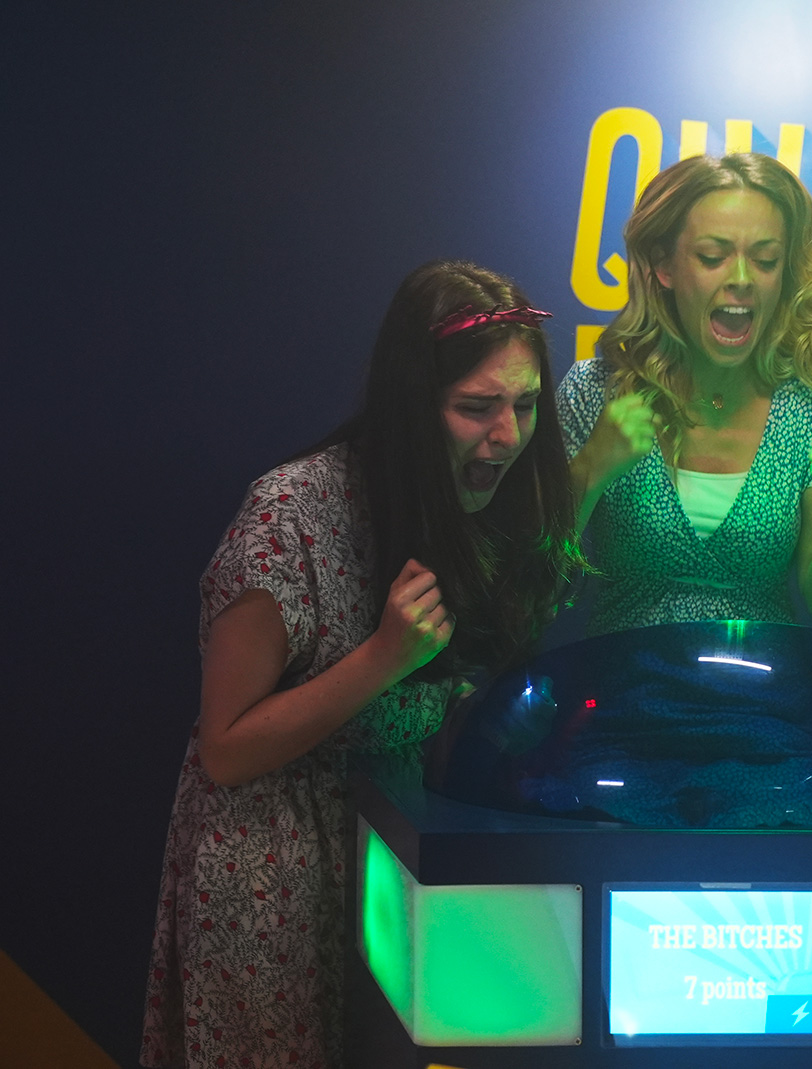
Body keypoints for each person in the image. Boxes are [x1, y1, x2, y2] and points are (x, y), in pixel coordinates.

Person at [140, 261, 580, 1069]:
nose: (508, 435)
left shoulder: (481, 505)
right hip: (274, 874)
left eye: (524, 405)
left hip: (393, 865)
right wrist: (383, 658)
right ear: (413, 407)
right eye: (476, 407)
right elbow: (225, 750)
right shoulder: (289, 514)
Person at [557, 152, 812, 635]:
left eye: (765, 260)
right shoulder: (594, 392)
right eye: (712, 256)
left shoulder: (811, 404)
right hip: (623, 676)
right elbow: (531, 590)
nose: (741, 279)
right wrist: (590, 469)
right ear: (664, 265)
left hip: (761, 679)